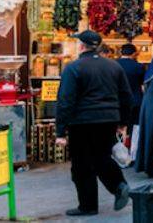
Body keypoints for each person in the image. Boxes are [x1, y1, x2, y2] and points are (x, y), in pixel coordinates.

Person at [54, 30, 133, 216]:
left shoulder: (74, 68)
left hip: (81, 122)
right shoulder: (114, 67)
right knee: (102, 157)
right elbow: (126, 97)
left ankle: (88, 206)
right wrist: (123, 122)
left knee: (81, 165)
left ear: (81, 46)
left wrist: (60, 132)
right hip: (108, 120)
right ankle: (119, 185)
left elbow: (65, 101)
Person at [116, 43, 145, 127]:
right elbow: (142, 83)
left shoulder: (113, 64)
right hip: (135, 100)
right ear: (134, 53)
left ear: (121, 52)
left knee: (119, 126)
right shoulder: (139, 66)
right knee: (134, 126)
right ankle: (132, 140)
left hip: (118, 101)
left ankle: (120, 140)